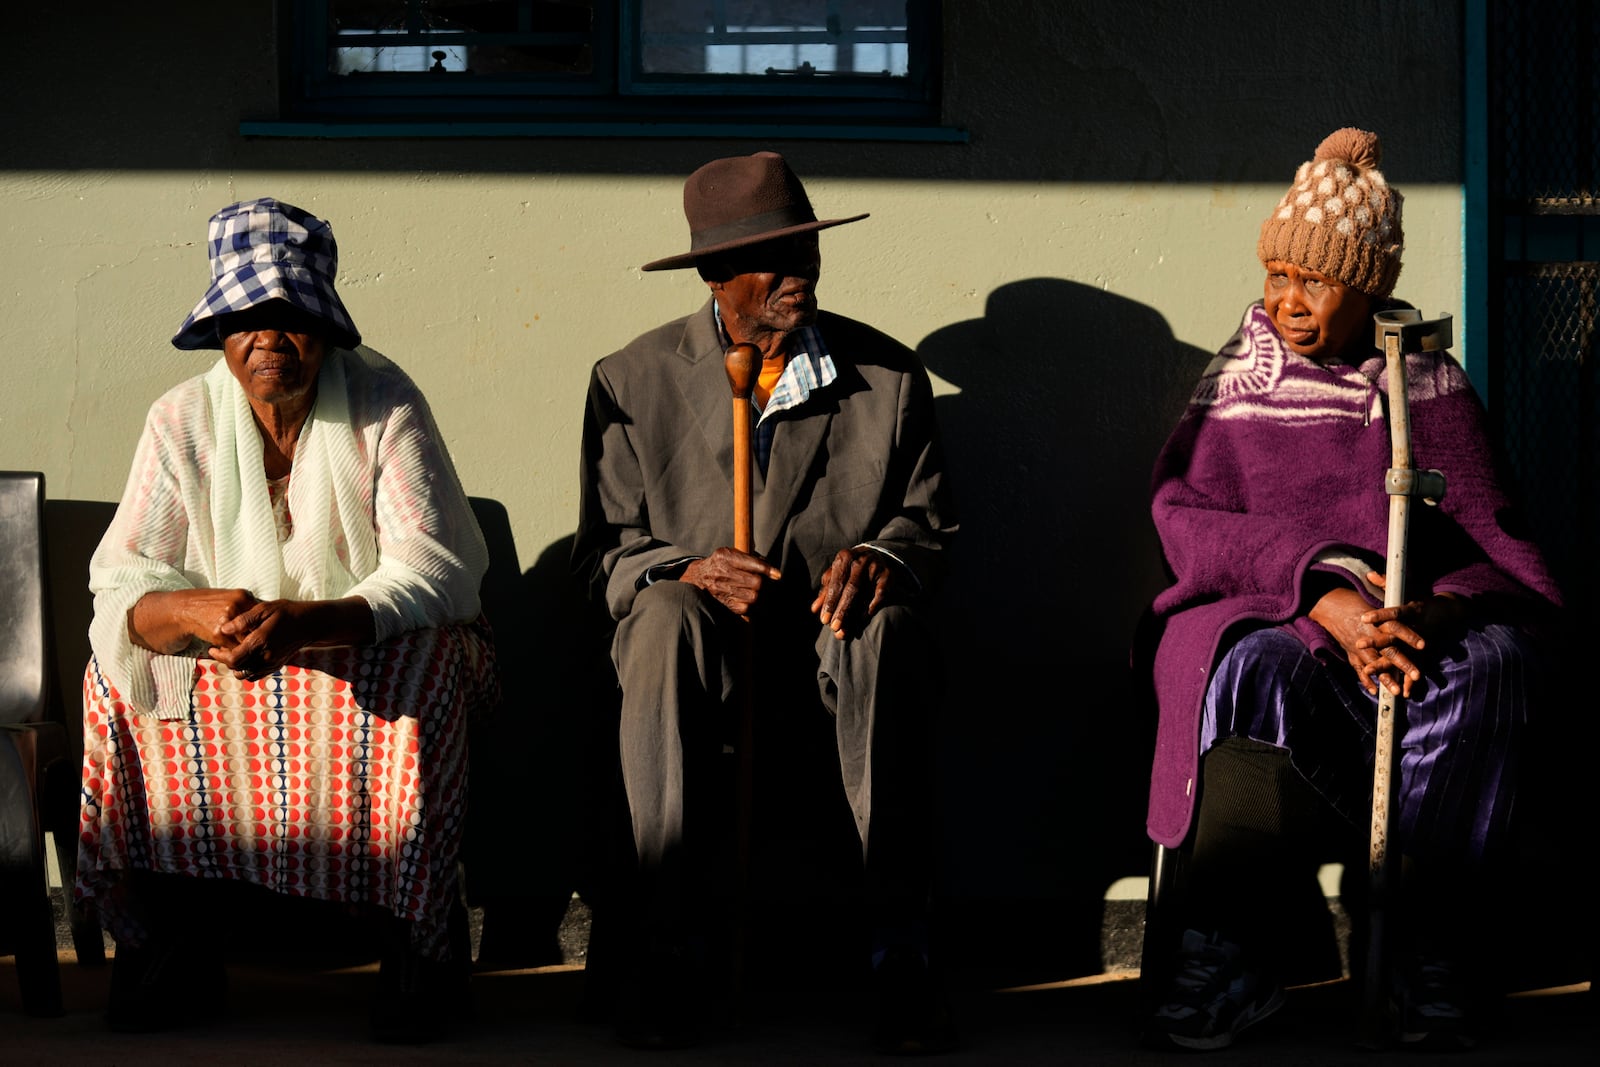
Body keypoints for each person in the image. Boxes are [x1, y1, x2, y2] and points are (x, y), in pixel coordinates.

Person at [1141, 128, 1563, 1052]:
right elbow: (1186, 518)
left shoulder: (1427, 382)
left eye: (1316, 280)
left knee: (1490, 666)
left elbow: (1496, 546)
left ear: (1366, 286)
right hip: (1283, 620)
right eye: (1278, 275)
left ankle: (1426, 947)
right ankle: (1234, 953)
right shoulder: (1238, 378)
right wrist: (1320, 589)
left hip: (1410, 639)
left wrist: (1435, 611)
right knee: (1247, 663)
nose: (1288, 302)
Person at [79, 198, 498, 1044]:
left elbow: (434, 570)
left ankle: (419, 942)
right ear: (221, 334)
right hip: (235, 654)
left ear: (325, 329)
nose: (269, 336)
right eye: (247, 318)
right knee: (115, 680)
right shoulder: (180, 420)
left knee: (421, 666)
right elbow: (124, 581)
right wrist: (194, 607)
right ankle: (170, 943)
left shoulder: (385, 405)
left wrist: (308, 623)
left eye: (291, 316)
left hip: (356, 641)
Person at [574, 151, 959, 1054]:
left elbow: (928, 526)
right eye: (774, 258)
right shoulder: (630, 381)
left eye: (807, 251)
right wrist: (687, 570)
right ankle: (669, 946)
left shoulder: (890, 380)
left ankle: (899, 952)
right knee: (662, 615)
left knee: (887, 627)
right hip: (701, 656)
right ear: (717, 277)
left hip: (829, 657)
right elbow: (604, 558)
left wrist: (878, 558)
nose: (802, 273)